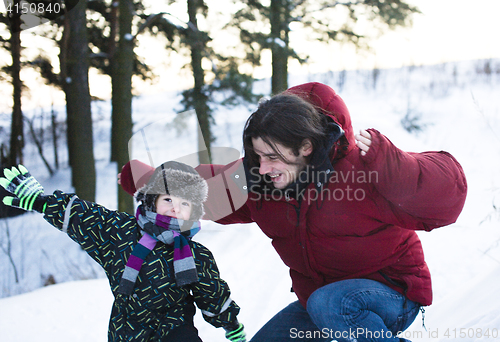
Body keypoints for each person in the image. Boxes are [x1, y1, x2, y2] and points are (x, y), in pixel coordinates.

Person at [119, 82, 467, 342]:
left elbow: (446, 193)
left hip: (391, 294)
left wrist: (394, 165)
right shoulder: (260, 178)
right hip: (321, 301)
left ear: (305, 146)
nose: (263, 166)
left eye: (272, 156)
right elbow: (209, 189)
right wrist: (153, 182)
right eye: (257, 156)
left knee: (331, 304)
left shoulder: (363, 170)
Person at [0, 161, 247, 342]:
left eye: (185, 203)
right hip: (128, 330)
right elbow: (85, 217)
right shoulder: (122, 232)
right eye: (168, 199)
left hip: (176, 331)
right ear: (152, 200)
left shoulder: (195, 254)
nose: (175, 208)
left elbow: (211, 293)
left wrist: (230, 324)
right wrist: (40, 201)